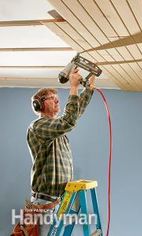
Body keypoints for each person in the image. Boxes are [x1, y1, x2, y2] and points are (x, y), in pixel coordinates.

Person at [26, 68, 95, 235]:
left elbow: (73, 115)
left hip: (60, 202)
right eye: (51, 98)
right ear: (39, 105)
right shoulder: (38, 126)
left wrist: (89, 89)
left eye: (57, 98)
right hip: (45, 205)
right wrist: (73, 88)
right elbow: (68, 122)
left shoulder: (57, 130)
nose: (57, 100)